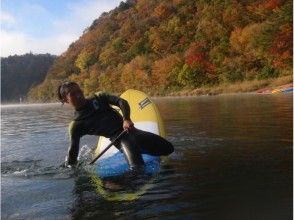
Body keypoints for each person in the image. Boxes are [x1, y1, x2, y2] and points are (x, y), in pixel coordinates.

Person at [57, 82, 174, 169]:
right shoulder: (77, 124)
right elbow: (73, 151)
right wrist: (71, 168)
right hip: (121, 140)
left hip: (133, 132)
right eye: (73, 94)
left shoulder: (99, 97)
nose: (78, 95)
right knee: (138, 170)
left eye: (79, 91)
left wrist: (126, 119)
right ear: (65, 100)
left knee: (169, 149)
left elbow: (122, 102)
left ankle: (139, 151)